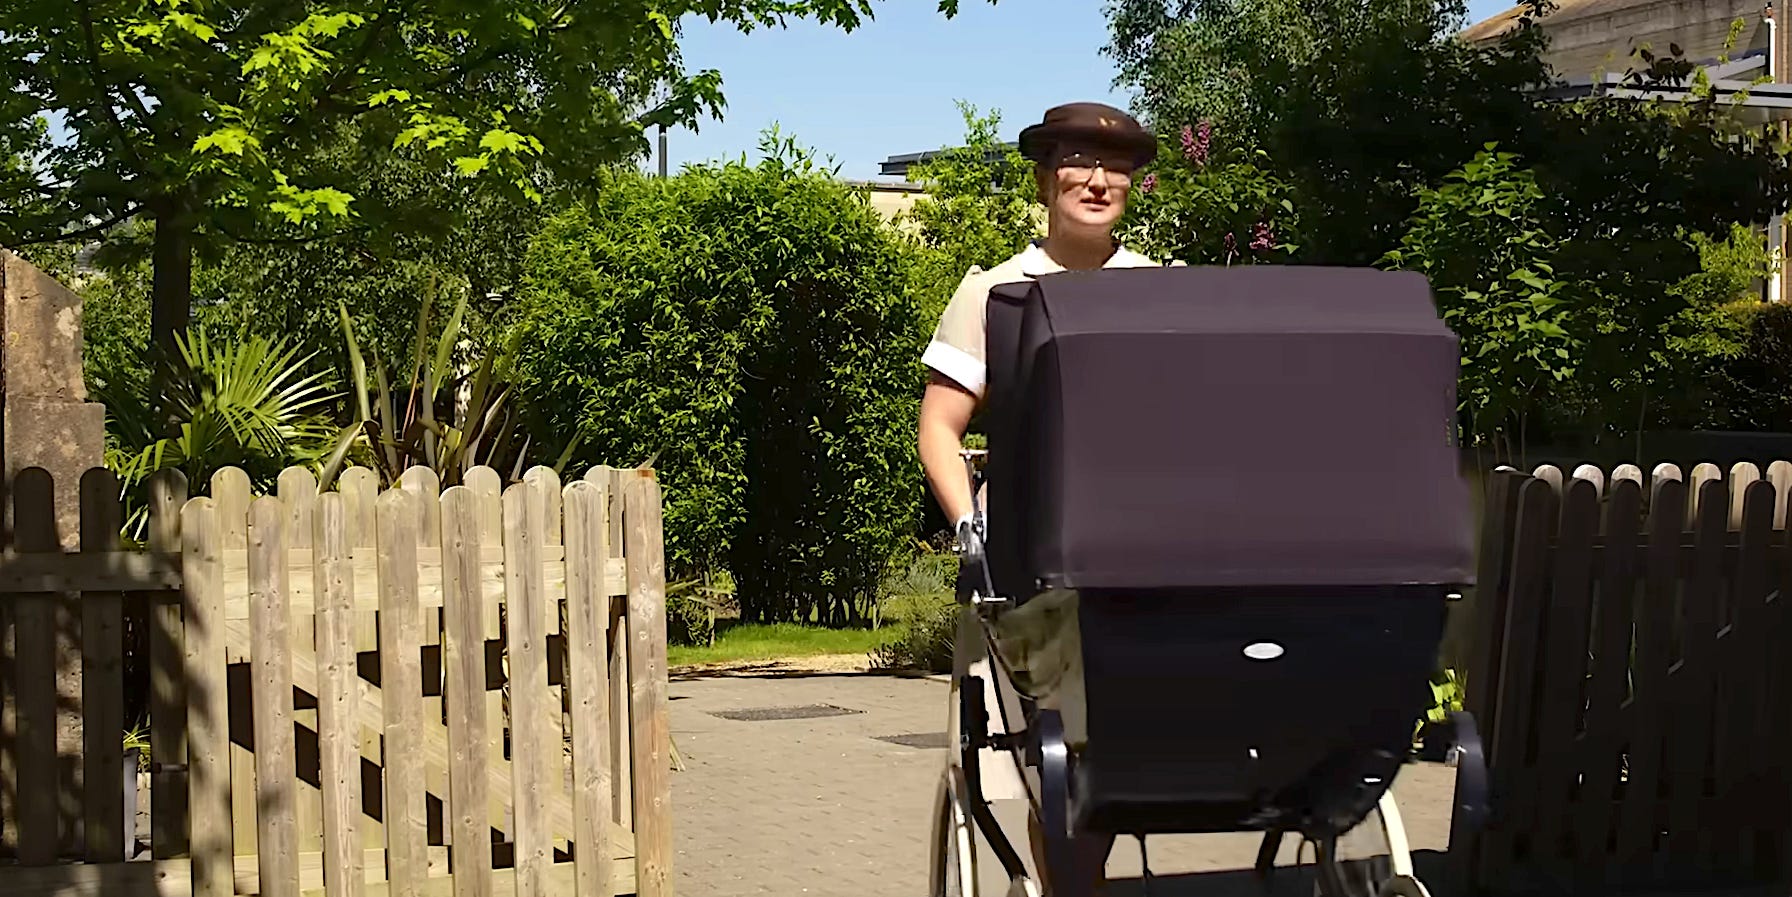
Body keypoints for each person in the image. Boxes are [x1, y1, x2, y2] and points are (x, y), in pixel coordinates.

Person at [917, 101, 1168, 895]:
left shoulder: (1164, 290)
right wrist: (970, 529)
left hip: (1142, 554)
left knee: (1124, 748)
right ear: (1044, 176)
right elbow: (940, 426)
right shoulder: (994, 291)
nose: (1097, 180)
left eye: (1115, 166)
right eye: (1077, 162)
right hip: (1030, 558)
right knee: (1057, 754)